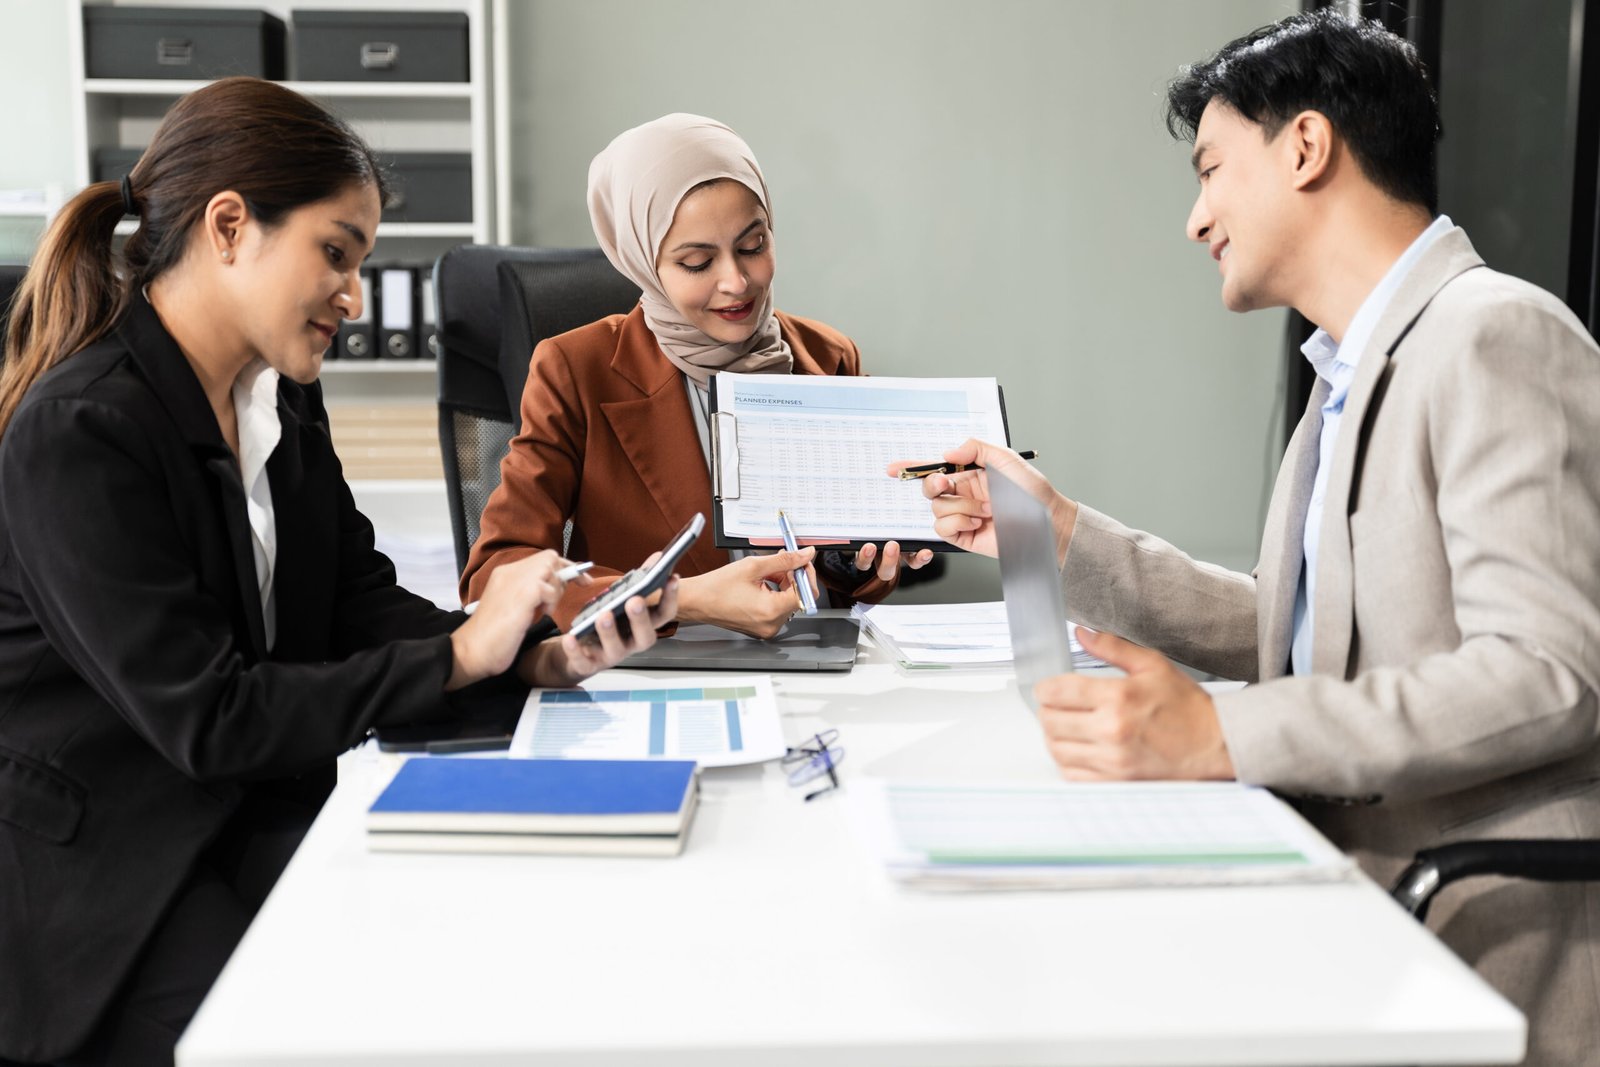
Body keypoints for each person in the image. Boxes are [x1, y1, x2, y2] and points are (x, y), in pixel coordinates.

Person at [902, 12, 1600, 1064]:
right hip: (1335, 875)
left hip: (1460, 918)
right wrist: (1065, 536)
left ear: (1306, 147)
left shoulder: (1493, 333)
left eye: (1212, 168)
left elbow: (1549, 673)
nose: (1196, 219)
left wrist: (1224, 736)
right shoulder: (1348, 379)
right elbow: (1301, 624)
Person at [0, 78, 674, 1067]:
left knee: (463, 964)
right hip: (104, 867)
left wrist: (529, 654)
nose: (354, 293)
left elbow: (354, 597)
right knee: (312, 1032)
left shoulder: (278, 399)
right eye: (335, 251)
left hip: (240, 811)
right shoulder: (82, 428)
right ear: (230, 226)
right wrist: (455, 659)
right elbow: (210, 716)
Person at [462, 113, 932, 638]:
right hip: (645, 672)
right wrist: (679, 599)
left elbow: (840, 579)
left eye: (753, 246)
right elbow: (494, 579)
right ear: (643, 263)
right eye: (696, 262)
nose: (735, 281)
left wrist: (854, 563)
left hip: (805, 668)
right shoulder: (575, 370)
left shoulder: (827, 357)